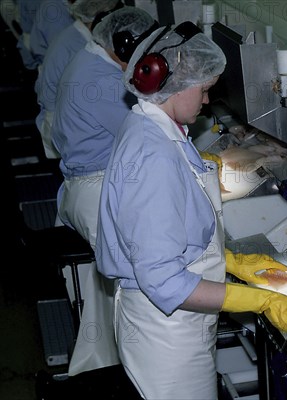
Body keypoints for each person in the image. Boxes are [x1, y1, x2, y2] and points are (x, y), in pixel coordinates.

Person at [95, 21, 287, 399]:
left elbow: (170, 237)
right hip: (167, 336)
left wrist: (228, 260)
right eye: (203, 91)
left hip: (178, 325)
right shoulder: (154, 158)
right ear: (172, 84)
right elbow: (165, 283)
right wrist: (260, 300)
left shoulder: (157, 129)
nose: (205, 102)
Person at [50, 6, 158, 377]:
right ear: (127, 46)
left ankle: (116, 366)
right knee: (133, 283)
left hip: (87, 182)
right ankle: (118, 372)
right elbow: (152, 135)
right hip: (93, 191)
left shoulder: (92, 60)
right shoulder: (104, 80)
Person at [34, 0, 122, 159]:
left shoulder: (74, 37)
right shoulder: (77, 46)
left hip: (63, 119)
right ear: (100, 19)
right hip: (59, 127)